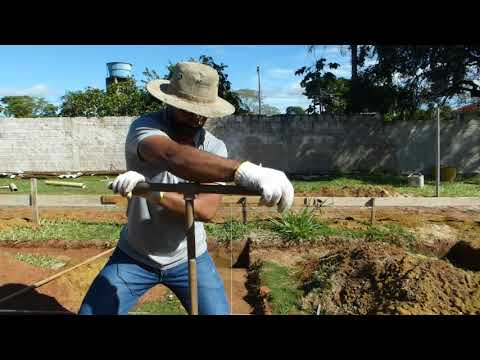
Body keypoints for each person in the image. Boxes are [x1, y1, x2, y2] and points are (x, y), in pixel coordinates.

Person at [78, 61, 294, 315]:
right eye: (188, 110)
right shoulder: (145, 128)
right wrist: (241, 170)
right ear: (169, 101)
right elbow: (172, 156)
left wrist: (152, 193)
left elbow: (205, 210)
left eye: (203, 112)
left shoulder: (214, 148)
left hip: (189, 256)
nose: (197, 118)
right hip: (135, 255)